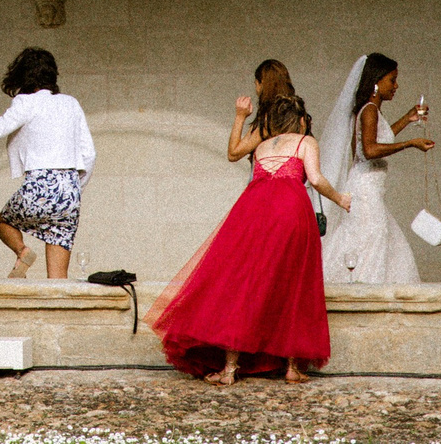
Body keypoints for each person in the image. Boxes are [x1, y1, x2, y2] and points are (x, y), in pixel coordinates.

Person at [150, 94, 351, 385]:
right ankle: (293, 367)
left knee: (242, 285)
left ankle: (230, 369)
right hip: (291, 212)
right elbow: (316, 180)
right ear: (300, 120)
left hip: (252, 213)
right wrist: (340, 198)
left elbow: (235, 154)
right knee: (295, 283)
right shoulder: (305, 141)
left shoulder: (260, 147)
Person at [0, 45, 97, 279]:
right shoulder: (70, 103)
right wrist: (74, 188)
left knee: (3, 223)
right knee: (57, 280)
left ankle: (22, 252)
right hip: (70, 191)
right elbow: (89, 155)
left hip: (40, 184)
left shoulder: (26, 102)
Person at [321, 52, 433, 286]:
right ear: (376, 80)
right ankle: (364, 286)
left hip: (367, 187)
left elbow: (379, 137)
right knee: (373, 237)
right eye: (391, 80)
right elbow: (369, 150)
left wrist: (408, 119)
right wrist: (410, 143)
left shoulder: (369, 110)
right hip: (365, 189)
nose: (396, 86)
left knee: (371, 237)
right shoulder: (370, 110)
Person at [225, 59, 297, 163]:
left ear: (262, 83)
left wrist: (240, 116)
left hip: (269, 177)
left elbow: (233, 154)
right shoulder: (299, 115)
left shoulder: (271, 117)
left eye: (256, 85)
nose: (256, 90)